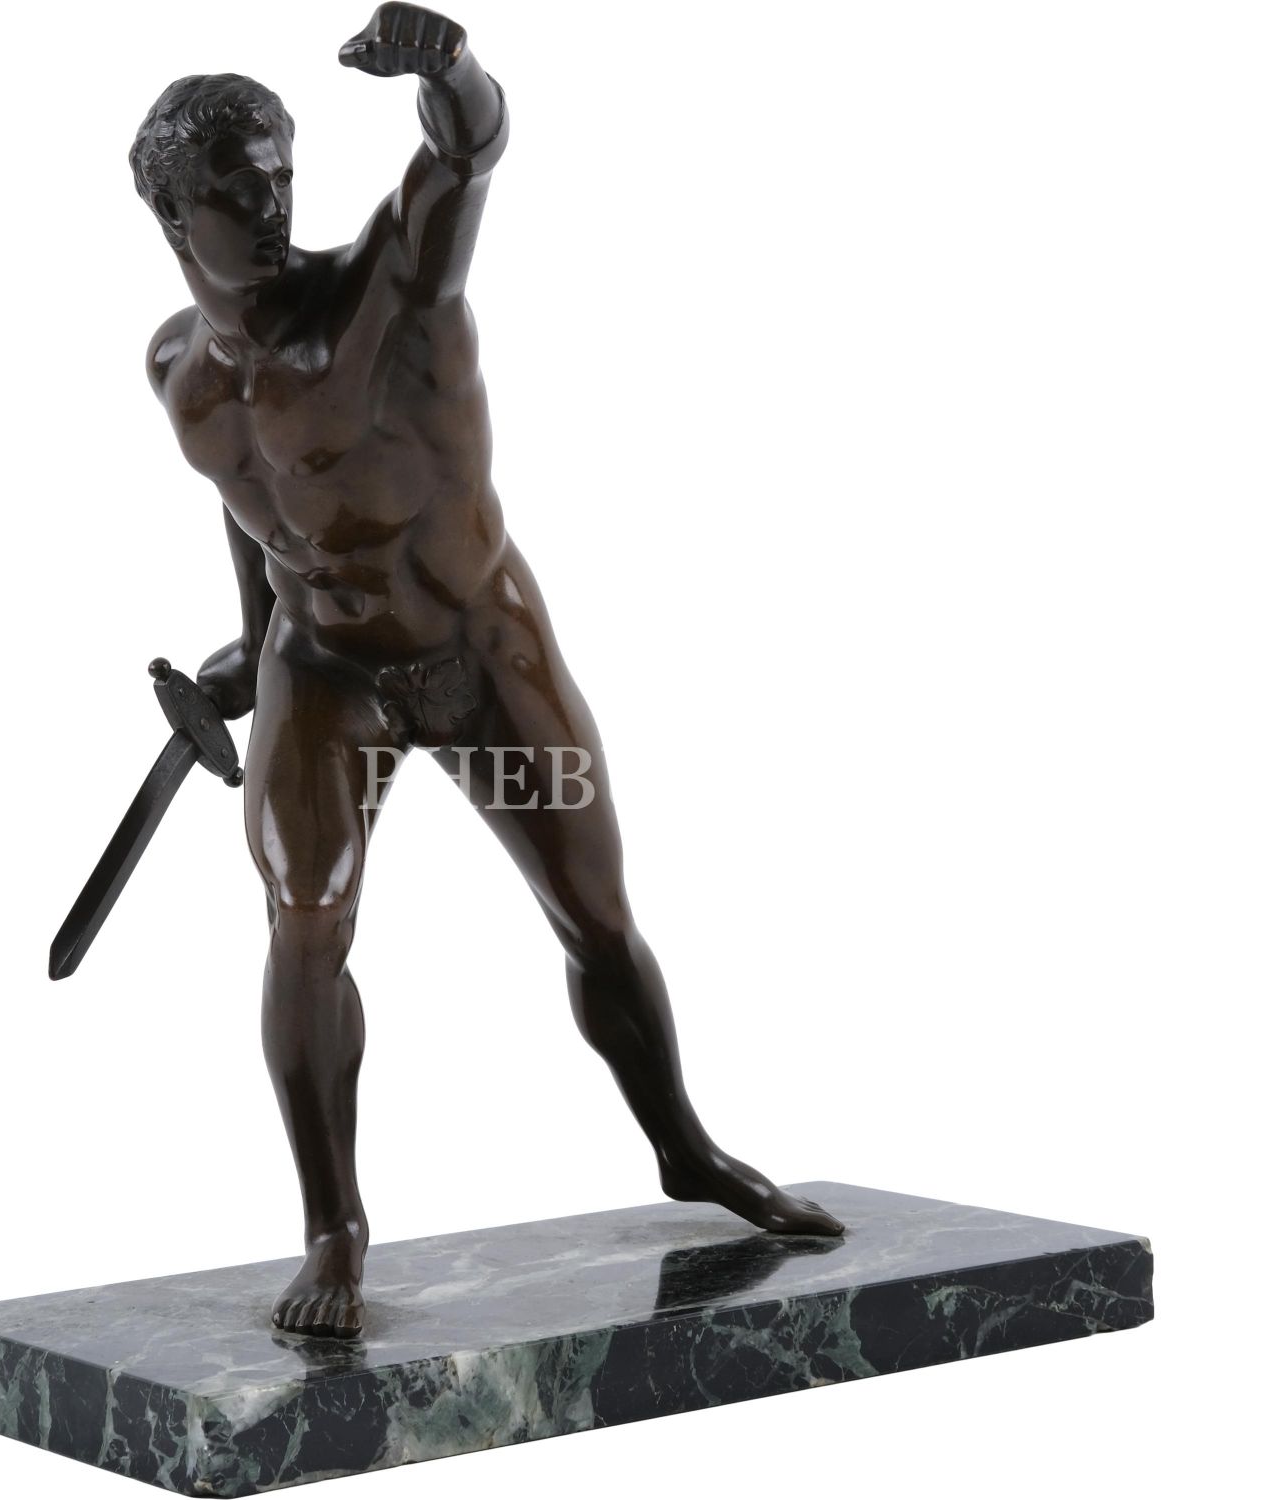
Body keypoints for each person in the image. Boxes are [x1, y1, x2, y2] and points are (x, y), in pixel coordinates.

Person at [129, 3, 843, 1338]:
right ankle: (333, 1227)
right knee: (305, 914)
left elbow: (465, 156)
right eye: (237, 191)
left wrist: (451, 71)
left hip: (475, 648)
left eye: (282, 177)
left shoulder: (386, 298)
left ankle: (684, 1146)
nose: (273, 207)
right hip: (323, 664)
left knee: (593, 913)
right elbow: (254, 506)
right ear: (174, 215)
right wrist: (249, 642)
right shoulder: (179, 373)